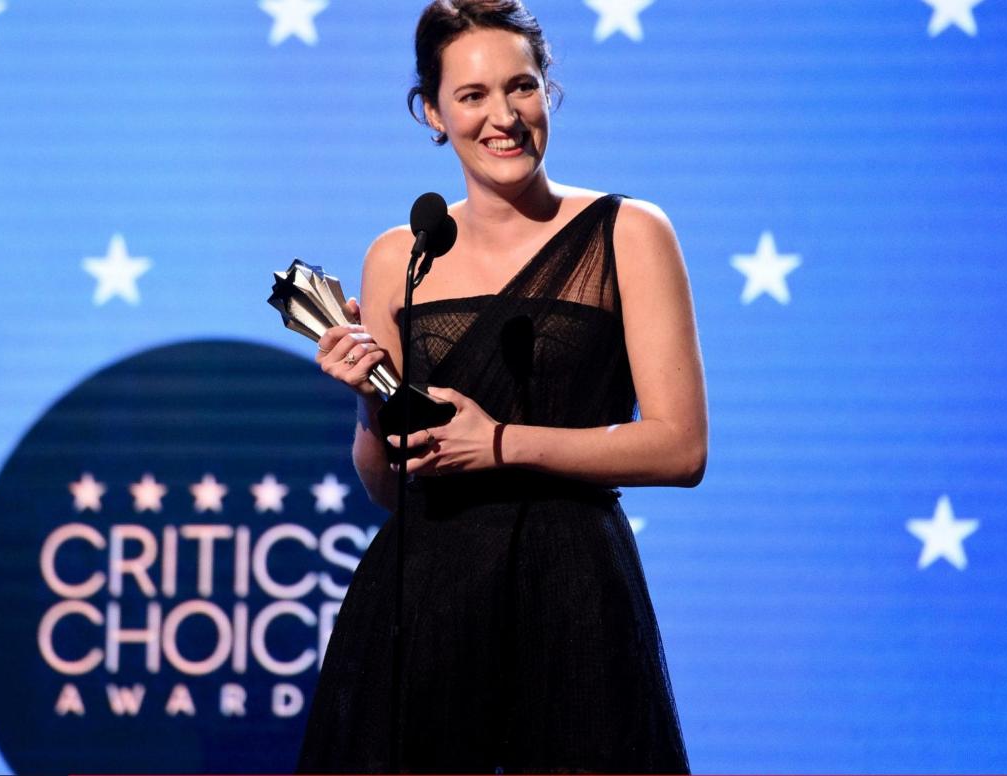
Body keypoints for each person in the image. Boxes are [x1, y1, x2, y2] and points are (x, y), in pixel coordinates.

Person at [298, 0, 706, 772]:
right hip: (425, 600)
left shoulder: (629, 233)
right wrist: (365, 401)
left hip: (574, 592)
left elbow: (681, 447)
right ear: (433, 114)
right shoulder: (398, 256)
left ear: (548, 91)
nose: (504, 118)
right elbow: (391, 488)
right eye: (473, 96)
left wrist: (495, 444)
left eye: (521, 88)